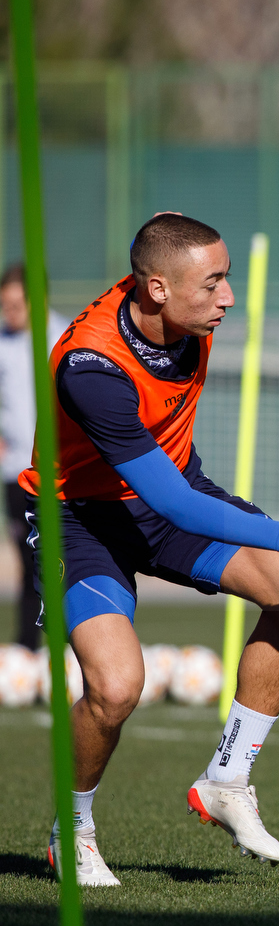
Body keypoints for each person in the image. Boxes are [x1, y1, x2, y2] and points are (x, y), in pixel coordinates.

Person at [30, 213, 279, 887]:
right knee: (116, 686)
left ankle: (228, 778)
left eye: (228, 278)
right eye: (213, 281)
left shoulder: (182, 317)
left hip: (169, 495)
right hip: (82, 518)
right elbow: (169, 502)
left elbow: (172, 493)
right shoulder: (90, 366)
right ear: (157, 289)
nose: (228, 297)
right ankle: (70, 831)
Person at [0, 263, 67, 648]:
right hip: (15, 474)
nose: (9, 313)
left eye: (15, 305)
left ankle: (74, 647)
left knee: (66, 559)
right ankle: (30, 647)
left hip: (61, 472)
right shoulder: (3, 343)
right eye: (4, 305)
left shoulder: (65, 338)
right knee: (30, 561)